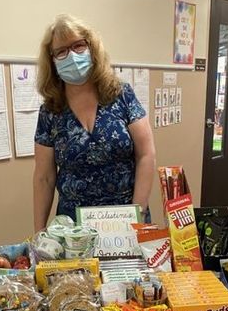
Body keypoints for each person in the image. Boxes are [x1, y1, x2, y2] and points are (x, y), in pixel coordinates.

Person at [33, 14, 156, 231]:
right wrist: (39, 231)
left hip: (127, 220)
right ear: (52, 60)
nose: (71, 55)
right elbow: (44, 177)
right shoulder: (50, 111)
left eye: (78, 45)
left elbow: (146, 155)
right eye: (61, 51)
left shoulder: (121, 94)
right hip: (74, 231)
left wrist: (137, 214)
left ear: (92, 47)